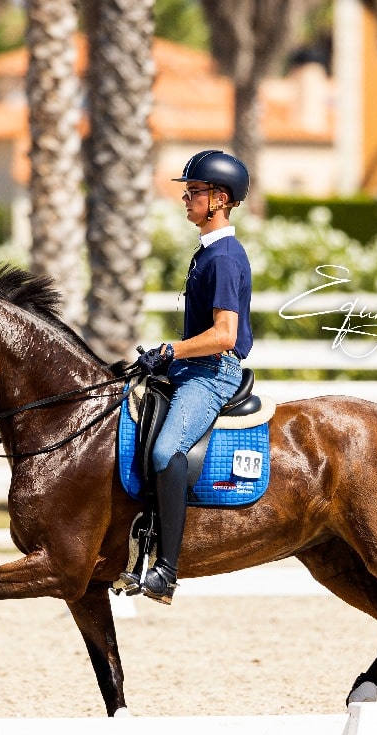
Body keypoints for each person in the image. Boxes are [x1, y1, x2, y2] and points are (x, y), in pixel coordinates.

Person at [116, 150, 254, 605]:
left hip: (213, 373)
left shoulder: (225, 258)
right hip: (190, 365)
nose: (185, 200)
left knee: (165, 448)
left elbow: (224, 334)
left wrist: (172, 349)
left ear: (219, 198)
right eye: (187, 192)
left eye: (193, 193)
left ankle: (166, 571)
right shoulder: (207, 253)